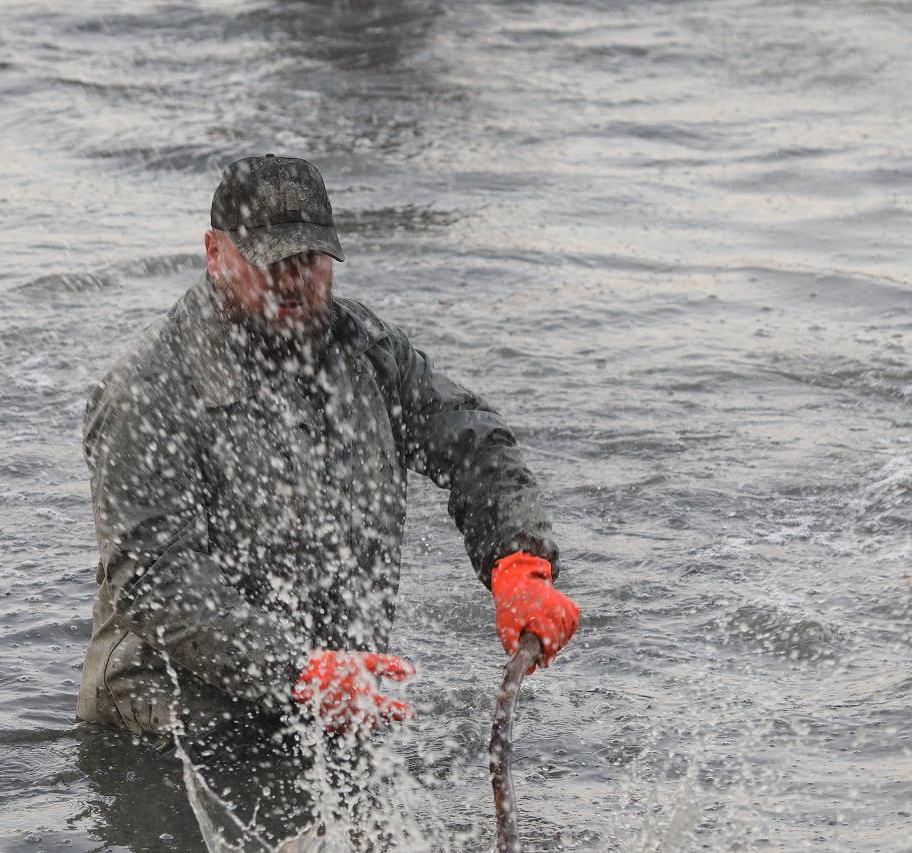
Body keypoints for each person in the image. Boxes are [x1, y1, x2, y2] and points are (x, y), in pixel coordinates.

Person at [75, 154, 579, 843]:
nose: (292, 279)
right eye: (270, 260)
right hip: (171, 742)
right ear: (215, 253)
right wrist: (298, 674)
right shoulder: (148, 390)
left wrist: (518, 561)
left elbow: (473, 444)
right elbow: (155, 580)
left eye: (309, 259)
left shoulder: (368, 351)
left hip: (336, 718)